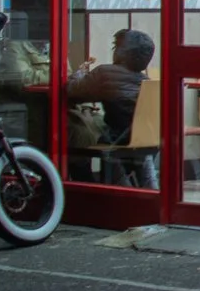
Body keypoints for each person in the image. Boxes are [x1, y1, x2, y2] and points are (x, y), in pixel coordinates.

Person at [63, 28, 157, 186]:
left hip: (117, 139)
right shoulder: (146, 80)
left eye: (115, 48)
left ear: (122, 53)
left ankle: (85, 191)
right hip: (145, 139)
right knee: (143, 167)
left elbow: (71, 91)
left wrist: (79, 73)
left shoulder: (105, 73)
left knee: (78, 137)